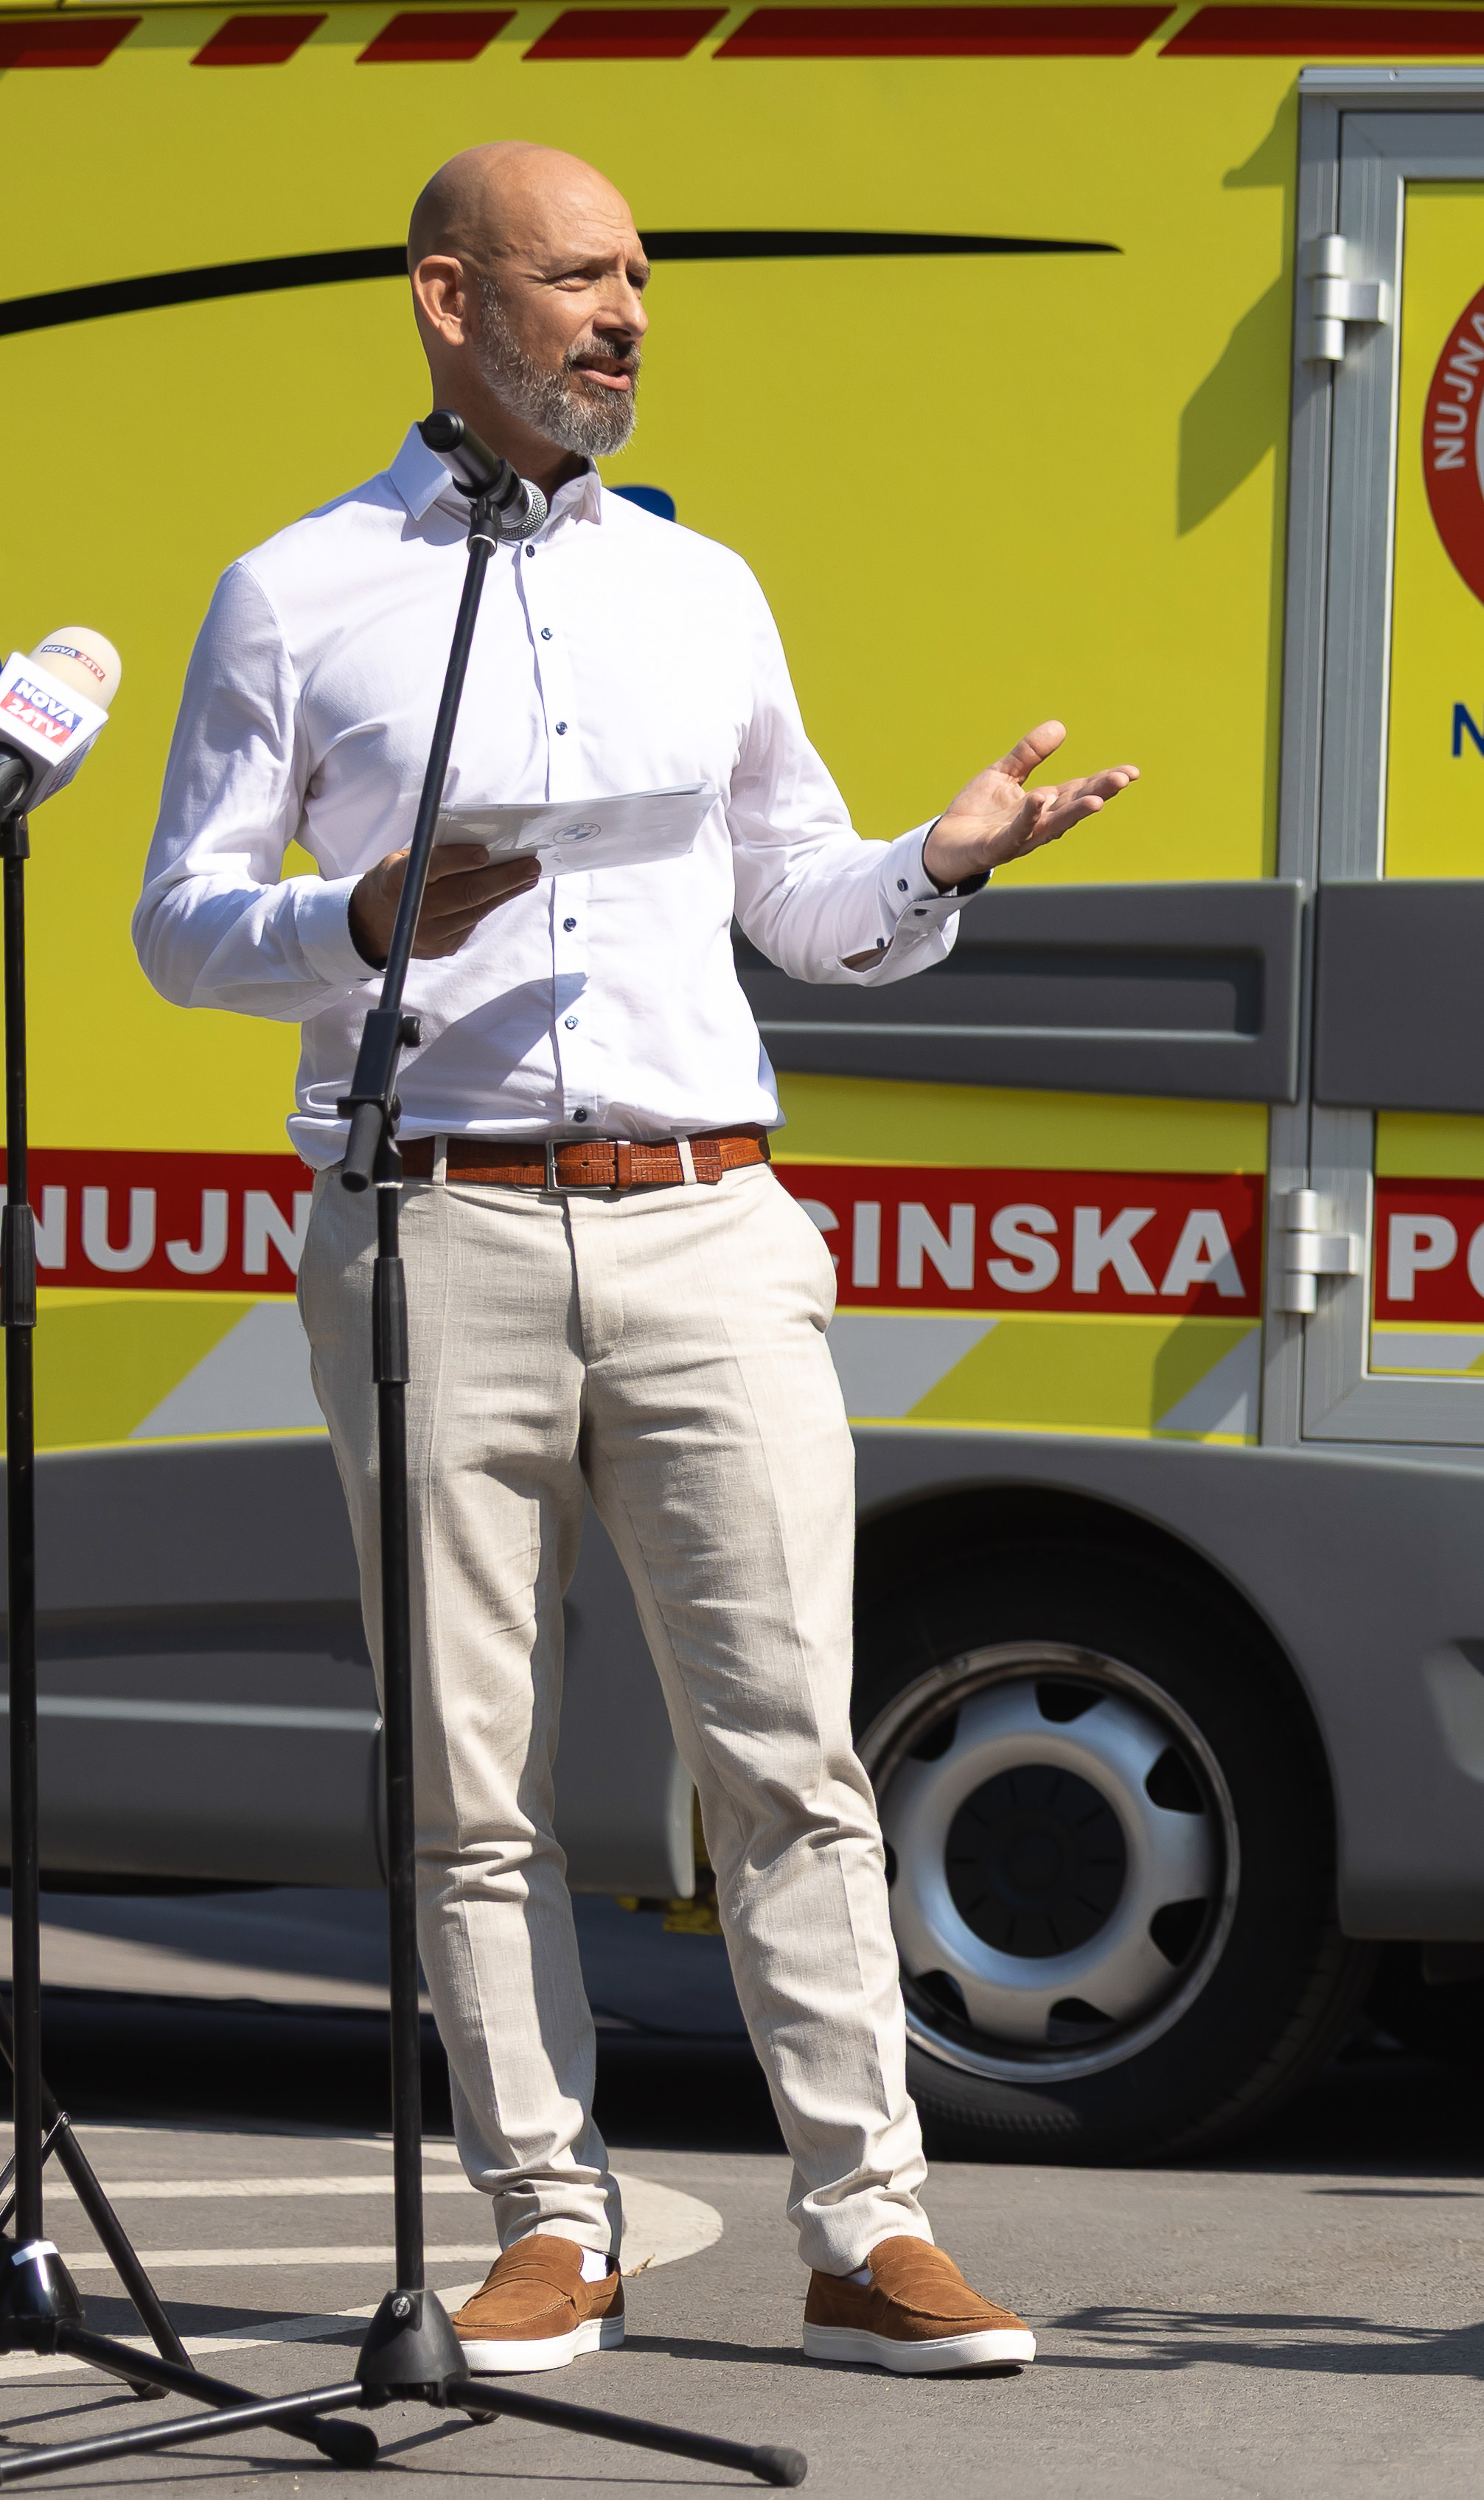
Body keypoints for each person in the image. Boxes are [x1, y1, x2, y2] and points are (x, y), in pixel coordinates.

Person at [133, 143, 1135, 2378]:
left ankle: (868, 2227)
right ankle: (547, 2221)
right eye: (580, 278)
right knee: (466, 1778)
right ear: (448, 299)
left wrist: (938, 862)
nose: (626, 318)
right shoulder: (297, 593)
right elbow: (180, 923)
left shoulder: (704, 588)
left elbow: (798, 901)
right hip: (437, 1226)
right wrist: (353, 920)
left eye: (640, 280)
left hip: (706, 1223)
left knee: (789, 1754)